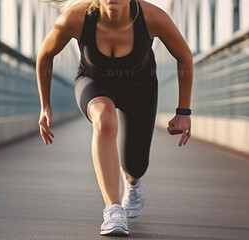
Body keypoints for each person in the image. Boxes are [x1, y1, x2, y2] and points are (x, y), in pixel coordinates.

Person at [36, 0, 193, 236]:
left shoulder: (153, 17)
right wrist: (45, 105)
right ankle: (113, 210)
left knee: (135, 165)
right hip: (93, 82)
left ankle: (132, 182)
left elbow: (184, 57)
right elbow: (45, 55)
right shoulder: (76, 18)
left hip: (140, 87)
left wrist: (183, 112)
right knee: (105, 119)